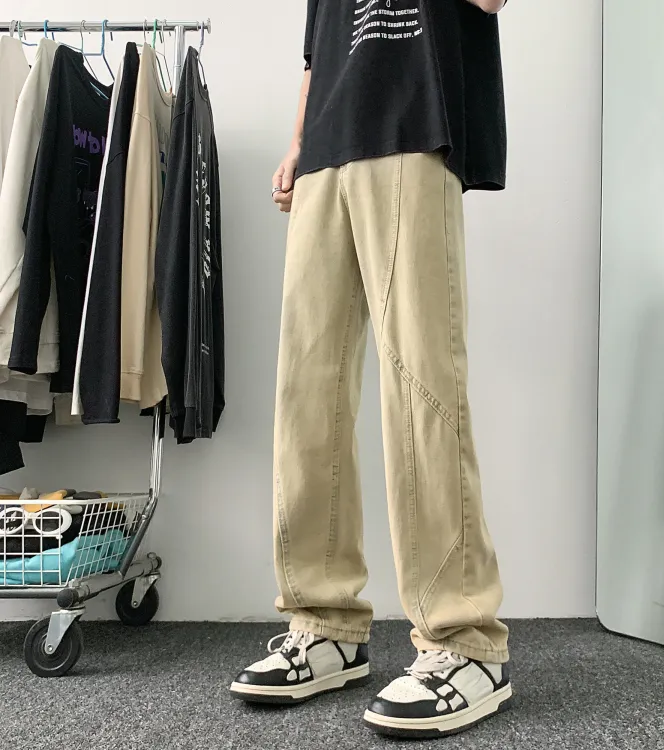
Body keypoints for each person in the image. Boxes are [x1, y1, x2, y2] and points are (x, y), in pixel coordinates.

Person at [231, 0, 511, 738]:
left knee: (422, 386)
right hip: (328, 147)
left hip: (413, 128)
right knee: (306, 391)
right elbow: (317, 49)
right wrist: (299, 141)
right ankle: (324, 623)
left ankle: (465, 640)